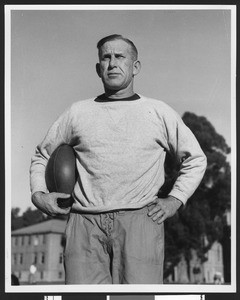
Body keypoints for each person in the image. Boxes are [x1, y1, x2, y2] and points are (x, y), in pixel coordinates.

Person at [30, 34, 207, 284]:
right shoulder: (77, 112)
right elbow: (42, 154)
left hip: (141, 221)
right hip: (84, 223)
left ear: (135, 67)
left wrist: (176, 199)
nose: (112, 63)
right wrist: (39, 194)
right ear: (98, 68)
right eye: (106, 57)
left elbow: (196, 159)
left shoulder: (158, 111)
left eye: (120, 57)